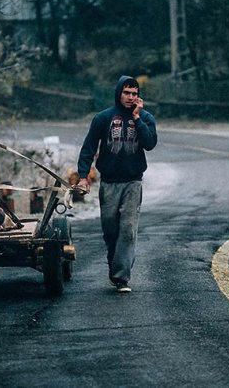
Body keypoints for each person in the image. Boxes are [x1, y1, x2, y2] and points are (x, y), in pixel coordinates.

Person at [76, 75, 157, 293]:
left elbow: (150, 143)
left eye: (134, 94)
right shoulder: (103, 118)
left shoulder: (146, 117)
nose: (131, 97)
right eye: (127, 93)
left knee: (128, 229)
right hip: (109, 183)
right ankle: (114, 261)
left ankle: (122, 277)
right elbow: (88, 148)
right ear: (119, 93)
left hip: (133, 182)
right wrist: (83, 176)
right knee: (110, 230)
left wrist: (138, 119)